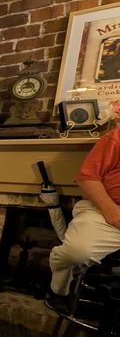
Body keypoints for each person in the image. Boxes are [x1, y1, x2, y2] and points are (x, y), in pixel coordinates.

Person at [48, 123, 120, 311]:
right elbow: (87, 177)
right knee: (77, 252)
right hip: (105, 209)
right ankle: (59, 289)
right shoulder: (115, 138)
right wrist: (111, 210)